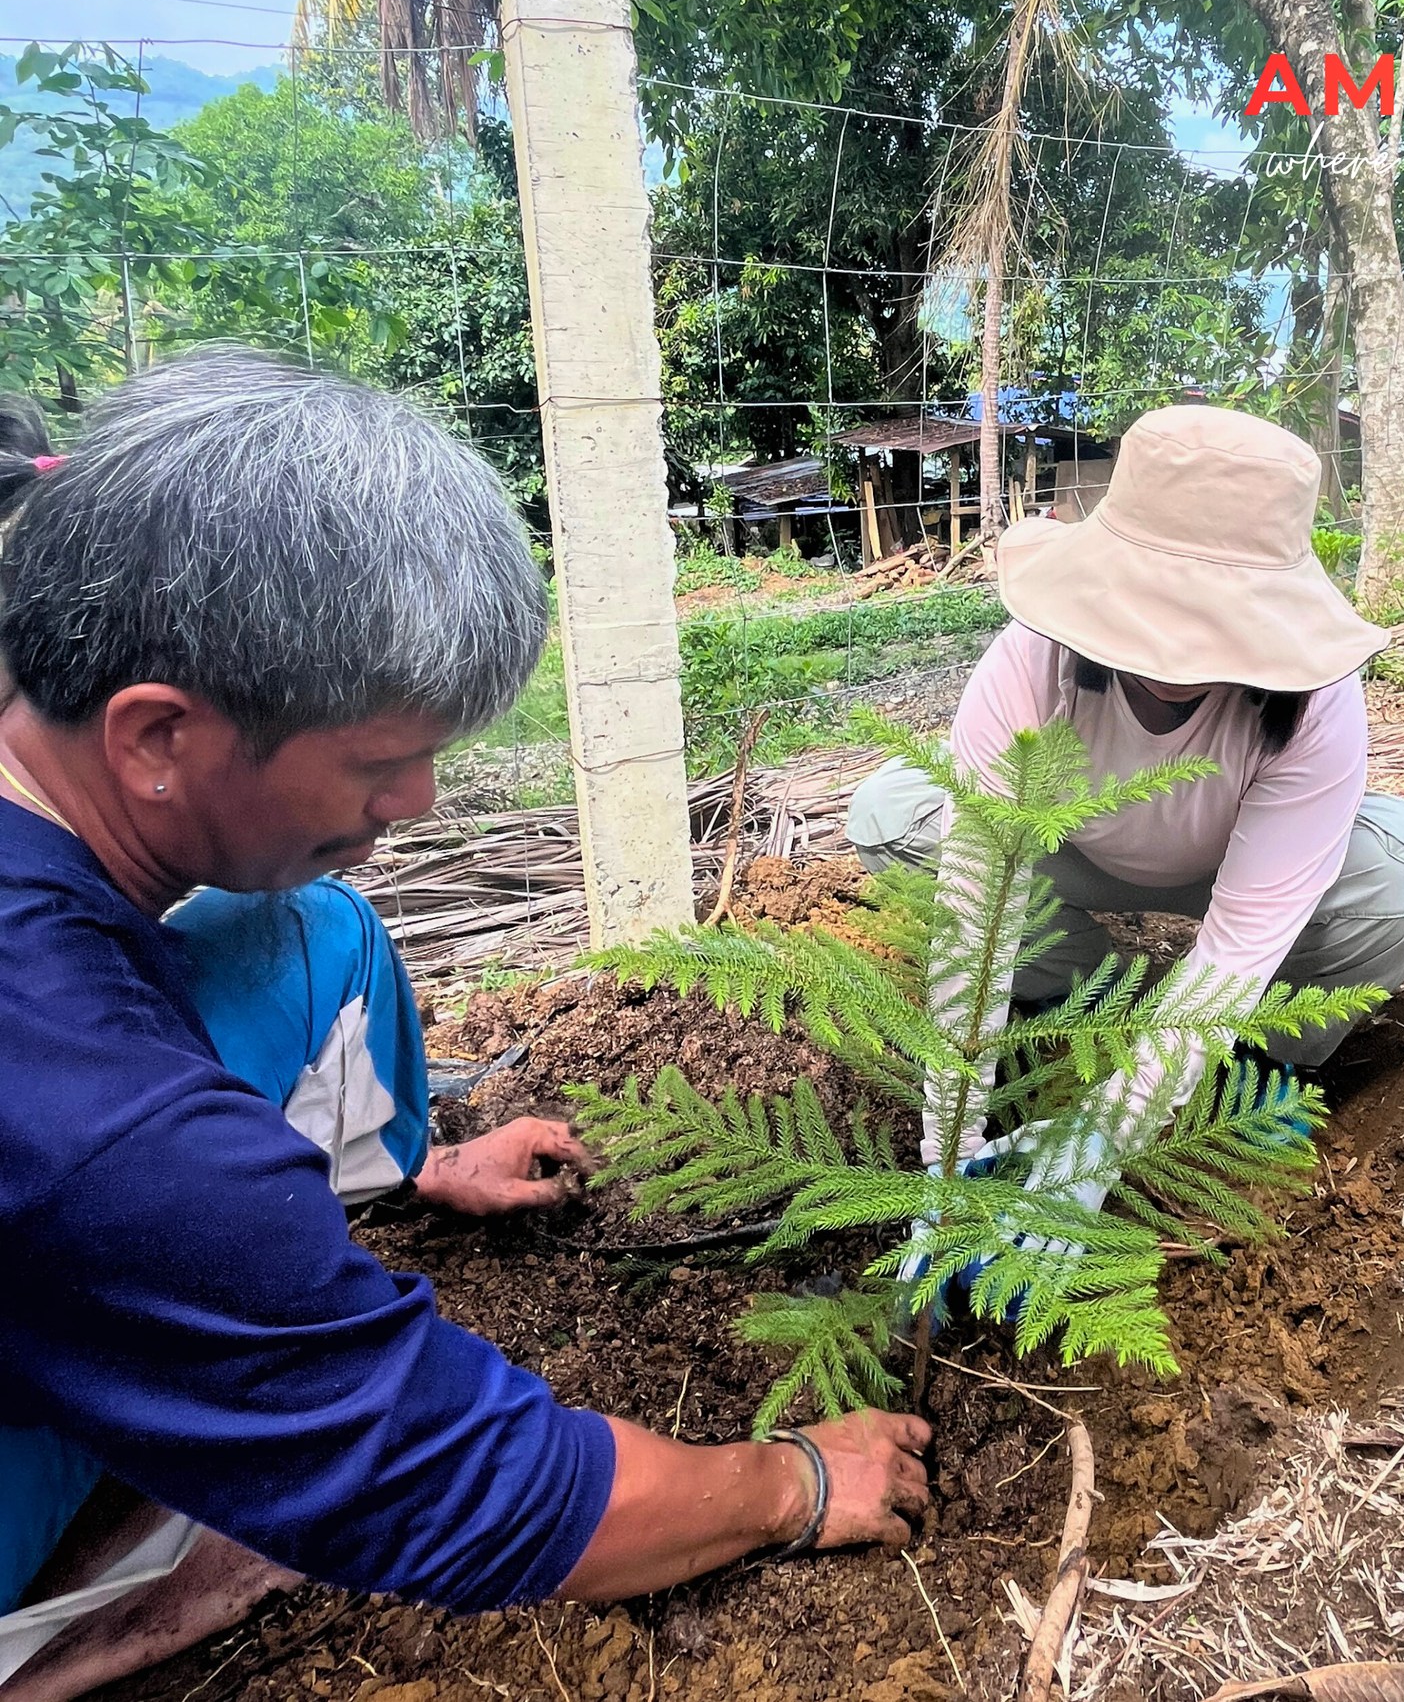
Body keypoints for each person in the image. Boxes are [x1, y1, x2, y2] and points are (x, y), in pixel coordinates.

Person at [0, 349, 929, 1702]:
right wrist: (789, 1481)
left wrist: (417, 1165)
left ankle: (382, 1164)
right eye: (380, 763)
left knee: (320, 933)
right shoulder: (103, 1124)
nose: (421, 802)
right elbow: (465, 1479)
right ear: (156, 735)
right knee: (236, 1447)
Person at [847, 403, 1404, 1199]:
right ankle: (1095, 1001)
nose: (1175, 651)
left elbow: (1245, 938)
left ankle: (1248, 1064)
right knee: (896, 822)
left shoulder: (1317, 701)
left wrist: (1101, 1139)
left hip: (1234, 862)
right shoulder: (1032, 660)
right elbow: (973, 911)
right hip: (1070, 857)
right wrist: (948, 1149)